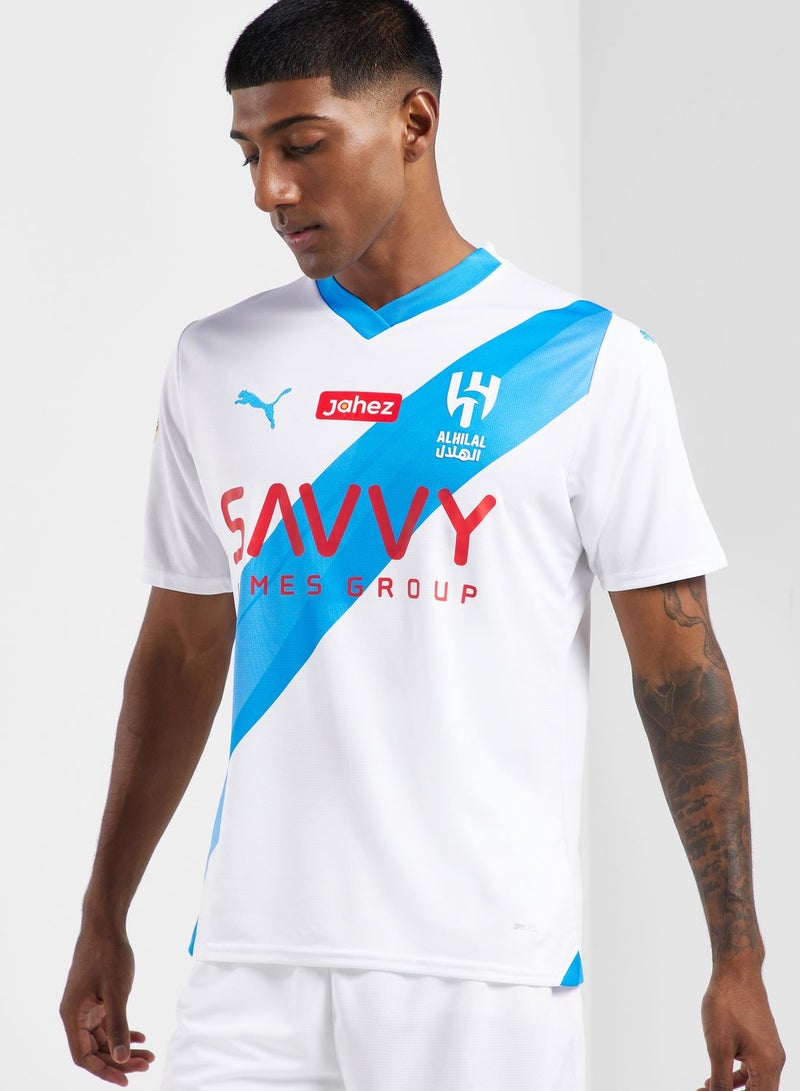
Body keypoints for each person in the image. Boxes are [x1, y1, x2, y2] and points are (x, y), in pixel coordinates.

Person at [60, 1, 785, 1088]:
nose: (269, 189)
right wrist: (103, 910)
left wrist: (737, 954)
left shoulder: (589, 362)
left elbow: (678, 668)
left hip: (485, 973)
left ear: (414, 121)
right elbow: (178, 649)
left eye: (302, 144)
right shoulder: (213, 360)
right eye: (250, 154)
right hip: (251, 967)